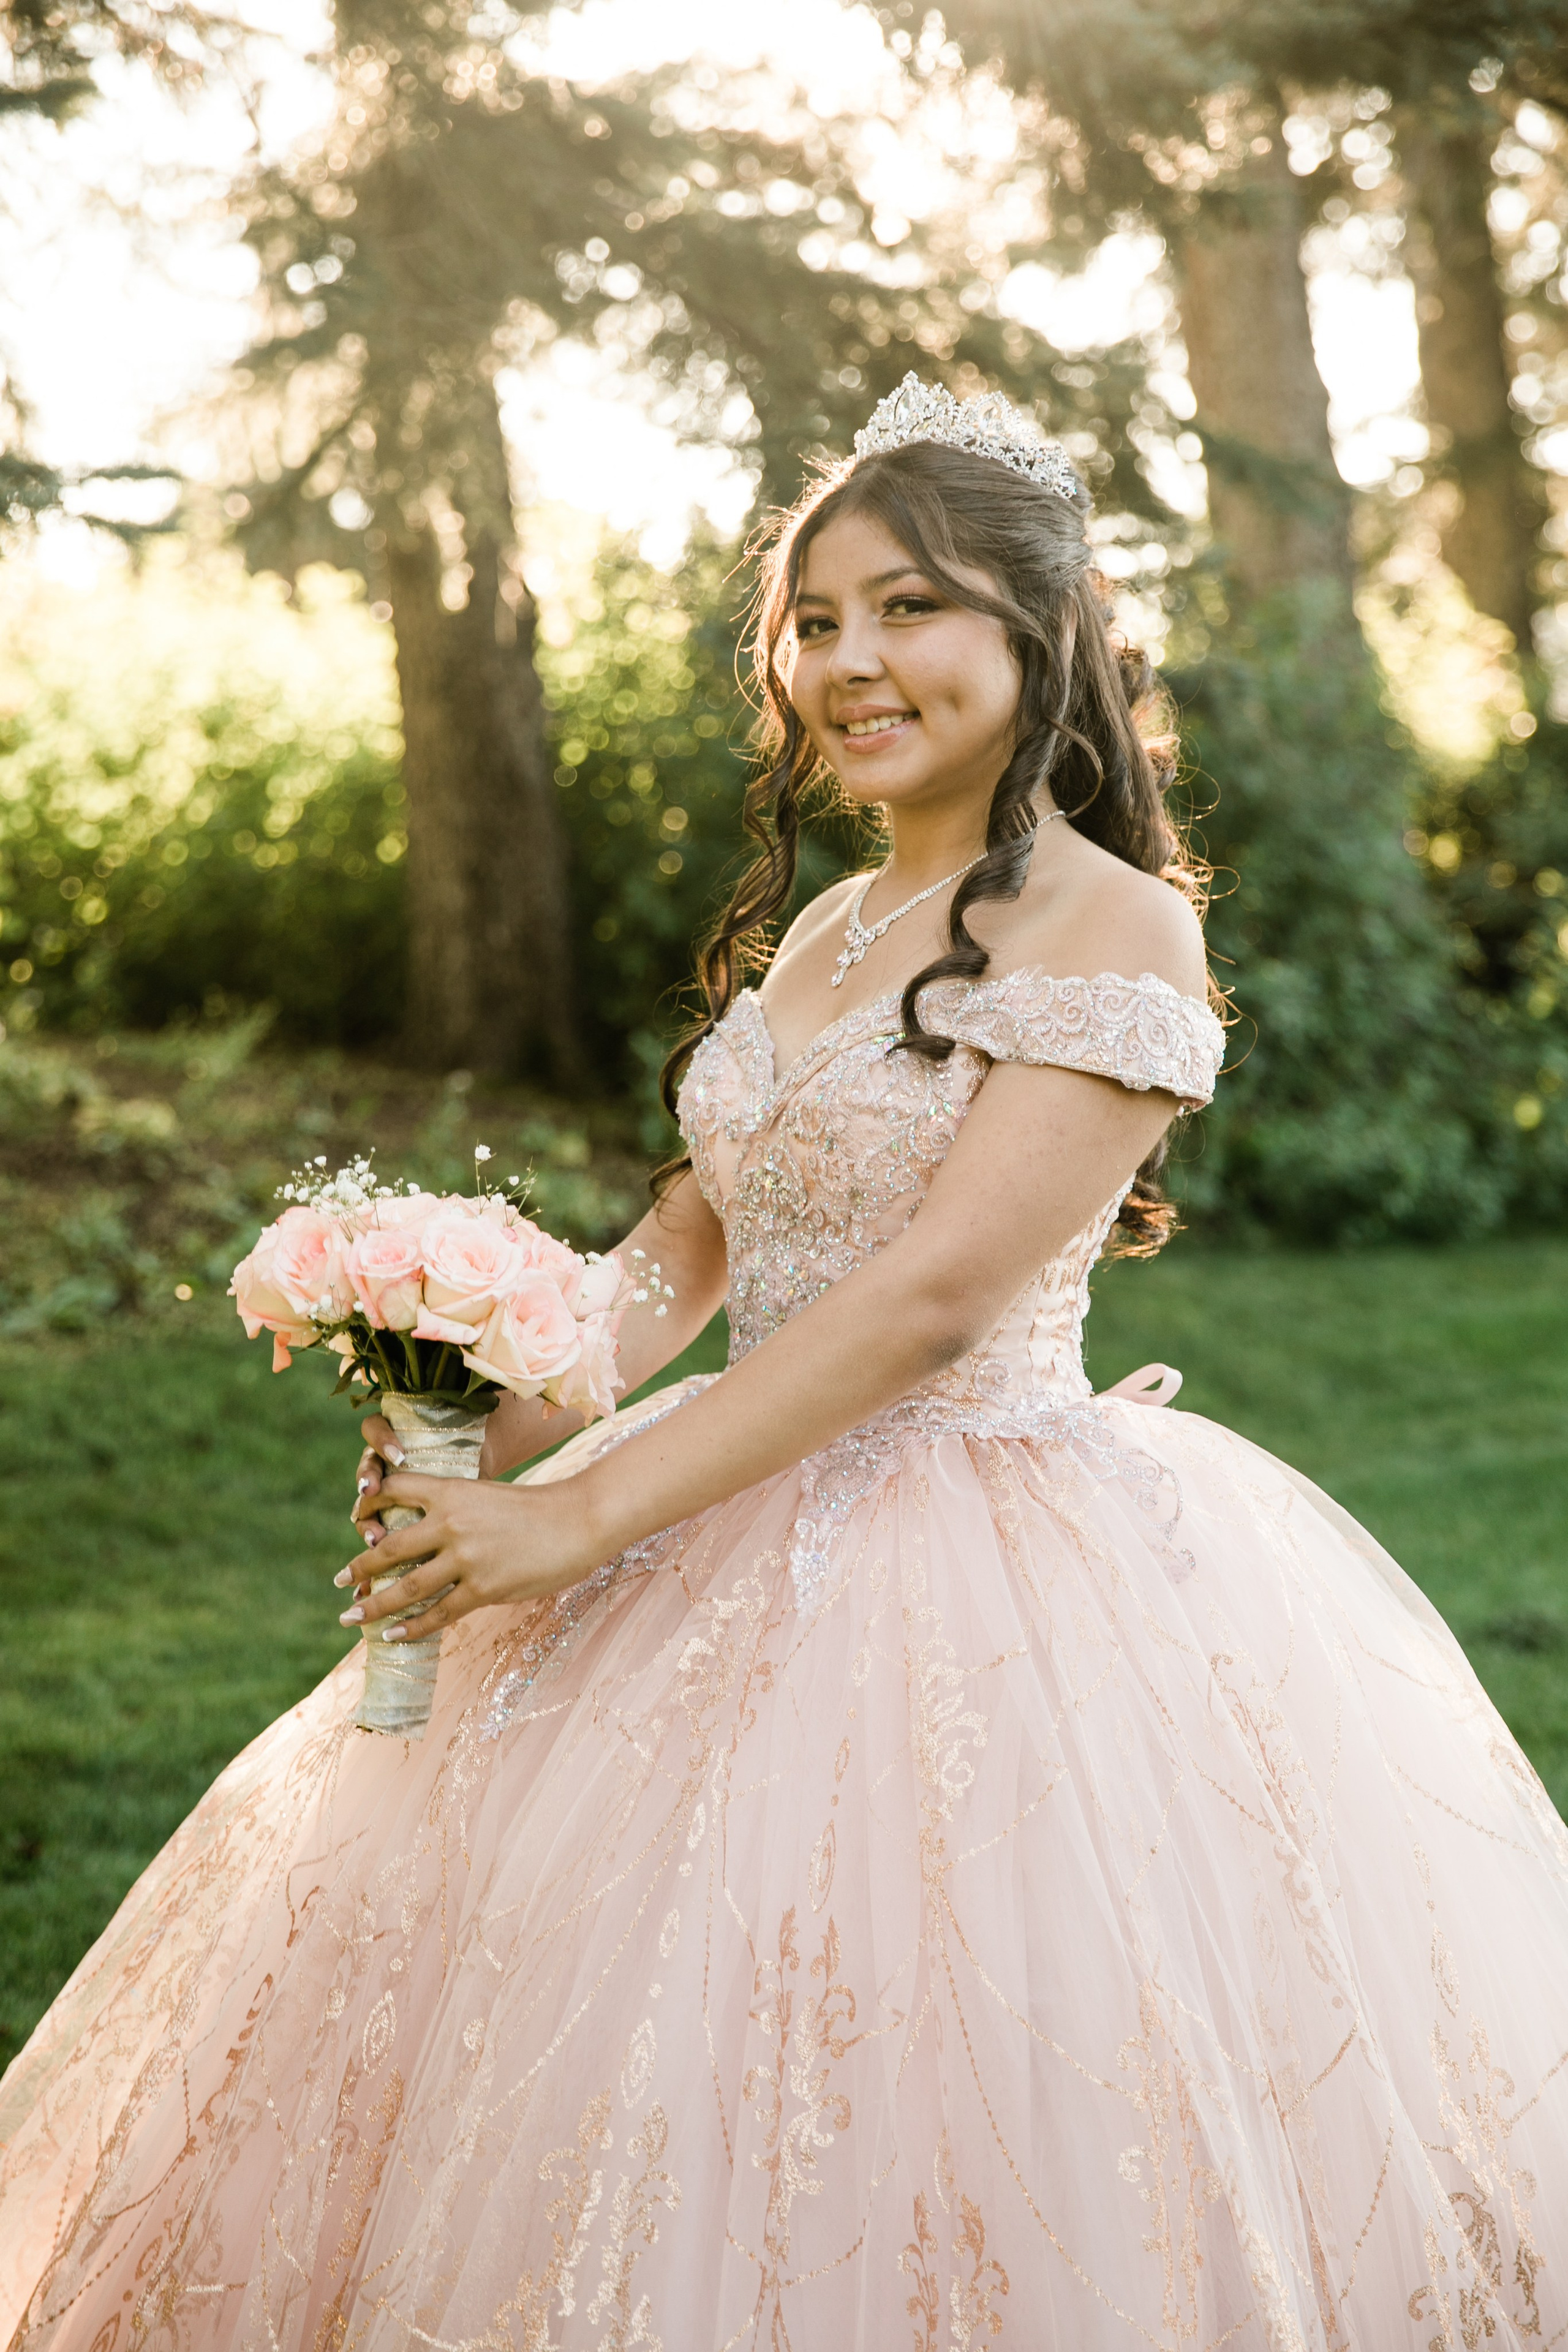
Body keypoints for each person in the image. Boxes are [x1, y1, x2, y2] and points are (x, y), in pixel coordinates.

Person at [3, 375, 1566, 2351]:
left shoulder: (1115, 929)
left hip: (984, 1555)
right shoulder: (830, 923)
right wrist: (478, 1412)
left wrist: (578, 1526)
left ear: (1043, 628)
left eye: (910, 607)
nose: (850, 662)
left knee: (945, 2040)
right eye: (814, 622)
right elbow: (682, 1253)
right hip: (714, 1494)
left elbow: (924, 1305)